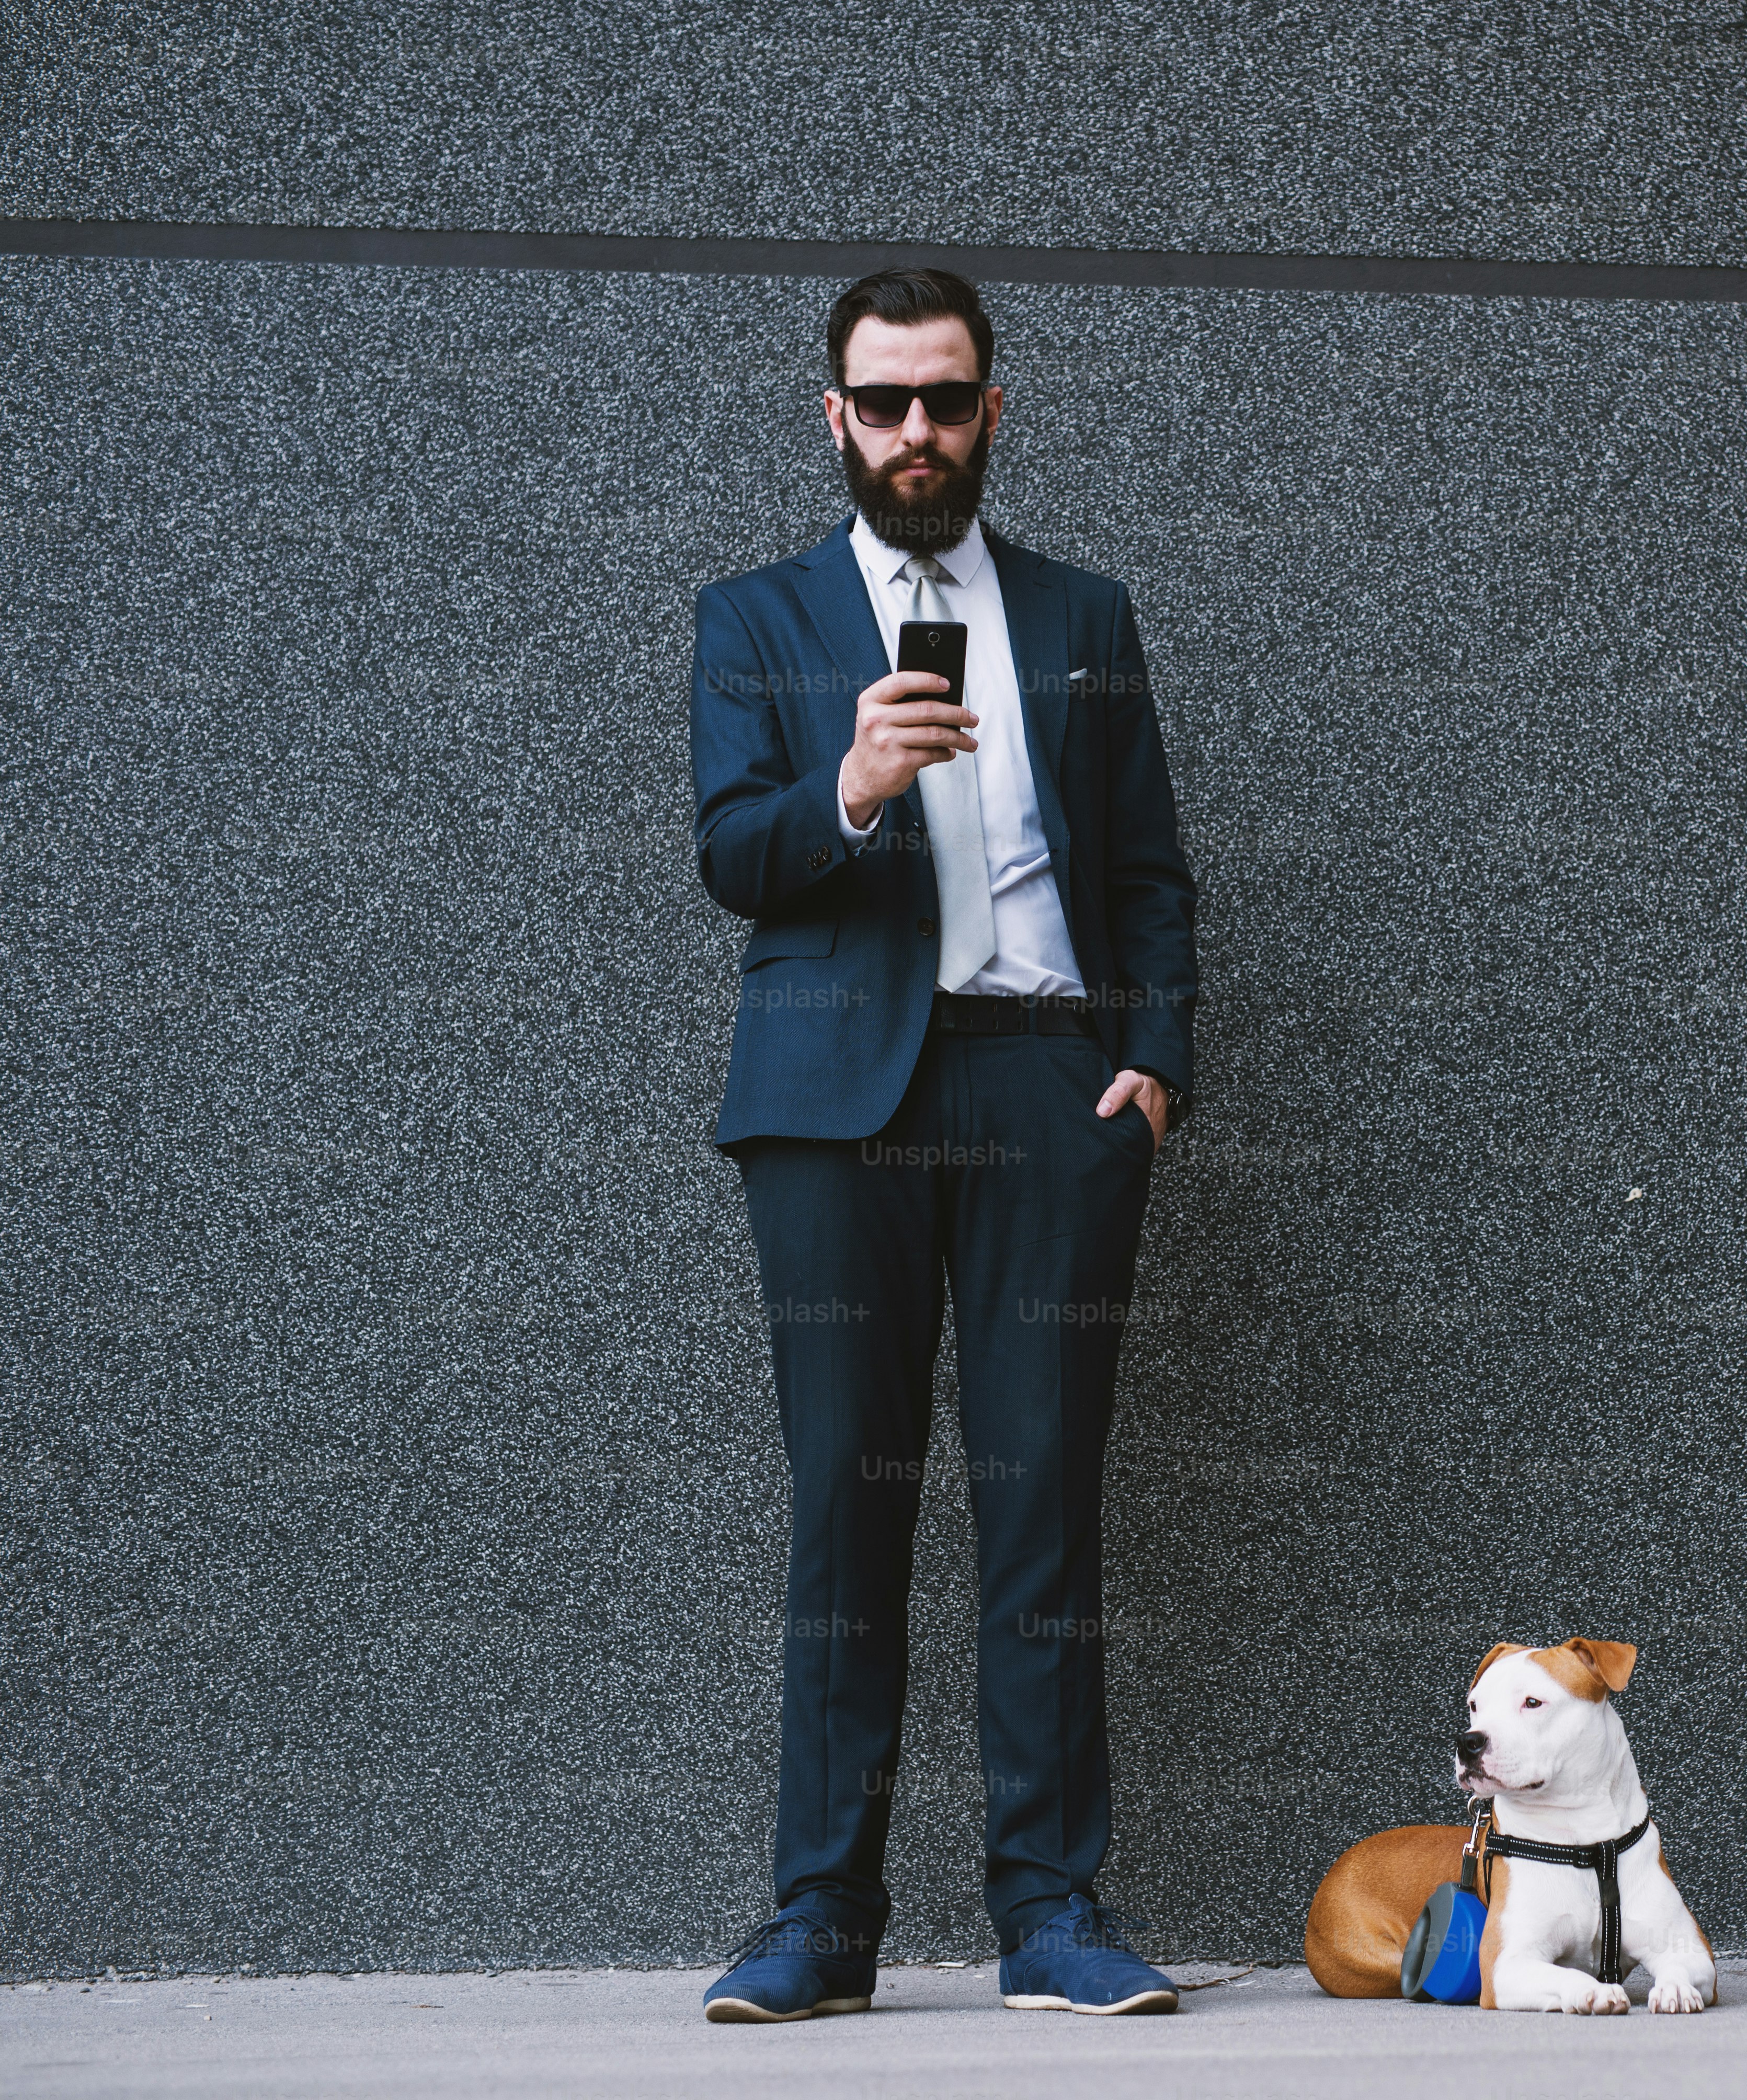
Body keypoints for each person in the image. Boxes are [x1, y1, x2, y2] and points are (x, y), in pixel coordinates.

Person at [684, 266, 1198, 2023]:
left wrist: (1151, 1069)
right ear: (829, 414)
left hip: (1051, 1095)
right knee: (849, 1508)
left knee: (1043, 1507)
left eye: (948, 400)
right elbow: (735, 855)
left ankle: (1052, 1913)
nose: (918, 433)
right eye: (885, 401)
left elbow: (1146, 872)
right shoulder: (753, 619)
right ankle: (823, 1919)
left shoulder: (1081, 615)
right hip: (838, 1109)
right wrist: (851, 787)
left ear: (995, 411)